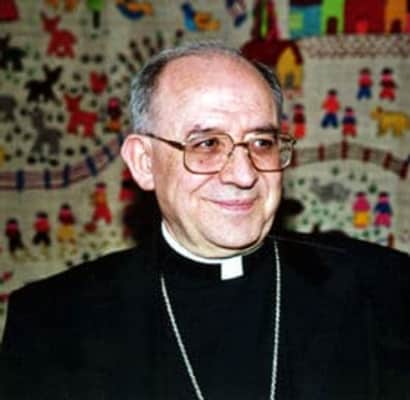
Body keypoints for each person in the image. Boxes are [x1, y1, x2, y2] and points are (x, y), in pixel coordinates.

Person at [0, 41, 409, 400]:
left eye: (261, 143)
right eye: (208, 144)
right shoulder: (52, 323)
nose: (244, 175)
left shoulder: (386, 289)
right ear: (144, 162)